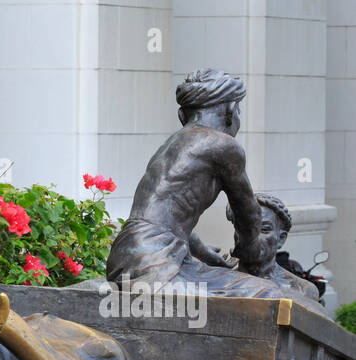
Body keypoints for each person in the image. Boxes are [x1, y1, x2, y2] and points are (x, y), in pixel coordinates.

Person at [106, 69, 279, 295]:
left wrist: (203, 253)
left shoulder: (174, 144)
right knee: (266, 292)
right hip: (153, 265)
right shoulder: (224, 145)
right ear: (230, 111)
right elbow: (249, 214)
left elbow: (165, 217)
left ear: (182, 115)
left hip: (128, 254)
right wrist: (250, 254)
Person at [223, 193, 329, 311]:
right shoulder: (221, 282)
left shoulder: (302, 289)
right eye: (244, 228)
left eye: (264, 230)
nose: (251, 237)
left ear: (281, 239)